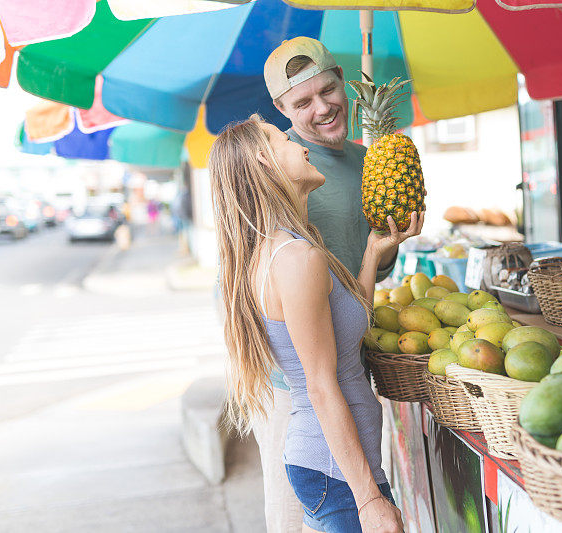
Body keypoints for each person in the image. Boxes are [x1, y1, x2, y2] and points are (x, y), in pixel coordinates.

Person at [209, 115, 422, 532]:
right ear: (265, 163)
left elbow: (344, 332)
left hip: (337, 470)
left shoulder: (288, 245)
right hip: (340, 477)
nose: (301, 146)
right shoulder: (295, 259)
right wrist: (369, 500)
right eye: (282, 140)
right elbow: (321, 386)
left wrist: (373, 253)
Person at [249, 36, 405, 532]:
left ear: (343, 80)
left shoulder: (369, 161)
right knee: (297, 520)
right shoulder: (281, 173)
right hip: (295, 391)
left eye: (328, 90)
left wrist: (389, 242)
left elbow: (372, 274)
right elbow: (247, 281)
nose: (323, 108)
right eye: (303, 102)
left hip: (350, 370)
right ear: (281, 108)